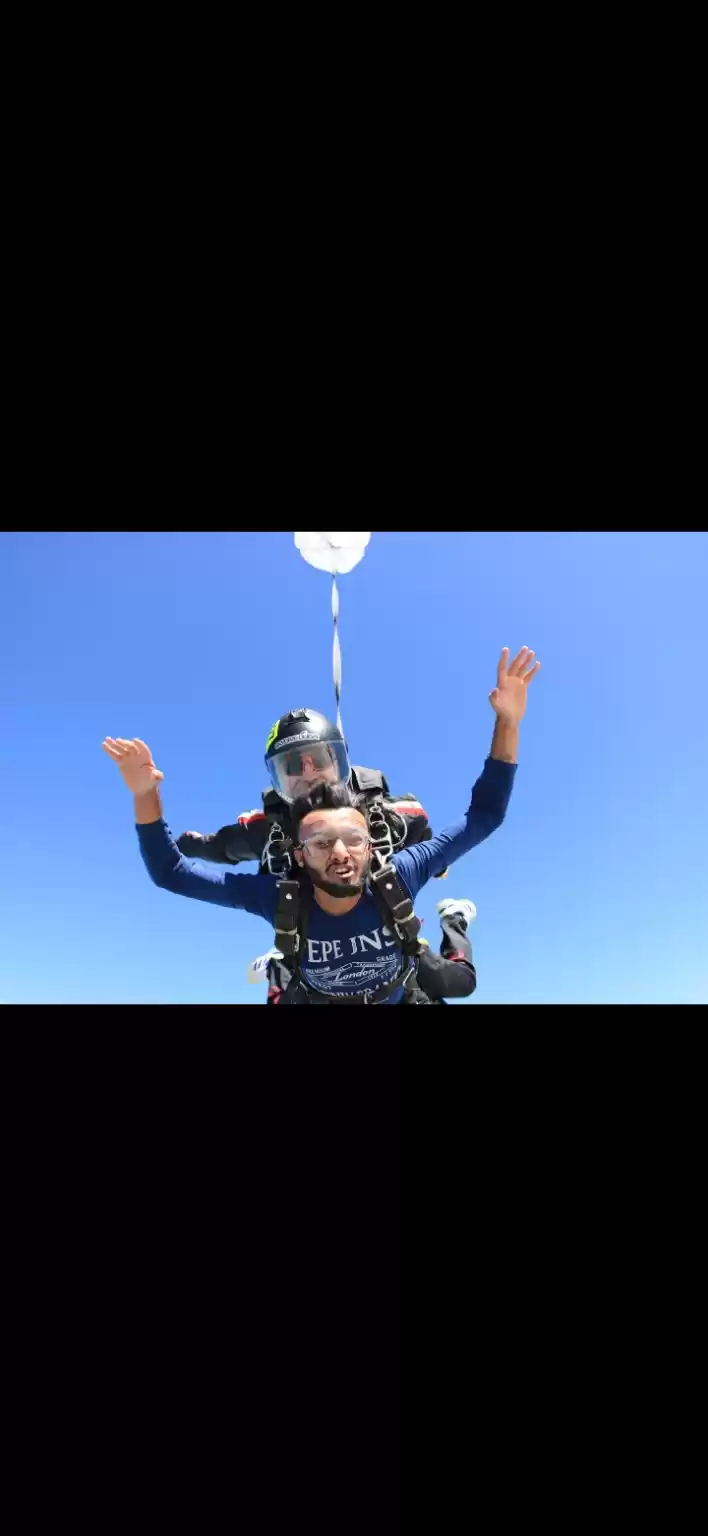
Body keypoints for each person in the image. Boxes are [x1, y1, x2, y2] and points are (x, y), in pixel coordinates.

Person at [102, 646, 540, 1006]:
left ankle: (454, 921)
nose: (340, 854)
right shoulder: (270, 866)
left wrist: (508, 721)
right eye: (319, 842)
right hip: (321, 992)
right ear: (297, 852)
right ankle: (280, 966)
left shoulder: (398, 853)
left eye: (353, 840)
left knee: (460, 984)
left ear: (370, 845)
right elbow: (180, 864)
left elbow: (483, 817)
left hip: (399, 989)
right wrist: (146, 796)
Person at [175, 707, 432, 878]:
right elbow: (217, 846)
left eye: (319, 759)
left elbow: (422, 826)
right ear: (277, 777)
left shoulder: (388, 820)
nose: (309, 774)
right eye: (293, 765)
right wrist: (178, 846)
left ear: (339, 762)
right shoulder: (266, 833)